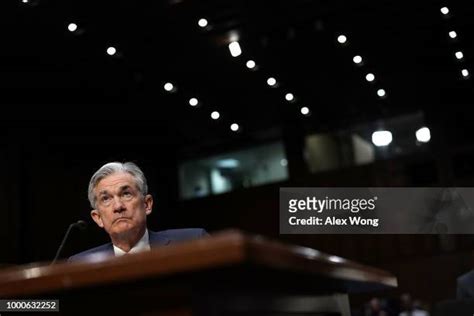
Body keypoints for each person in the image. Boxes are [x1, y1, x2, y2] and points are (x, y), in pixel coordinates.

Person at [68, 161, 207, 262]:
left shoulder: (192, 242)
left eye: (126, 194)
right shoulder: (80, 264)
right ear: (97, 217)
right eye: (106, 199)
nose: (118, 206)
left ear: (147, 204)